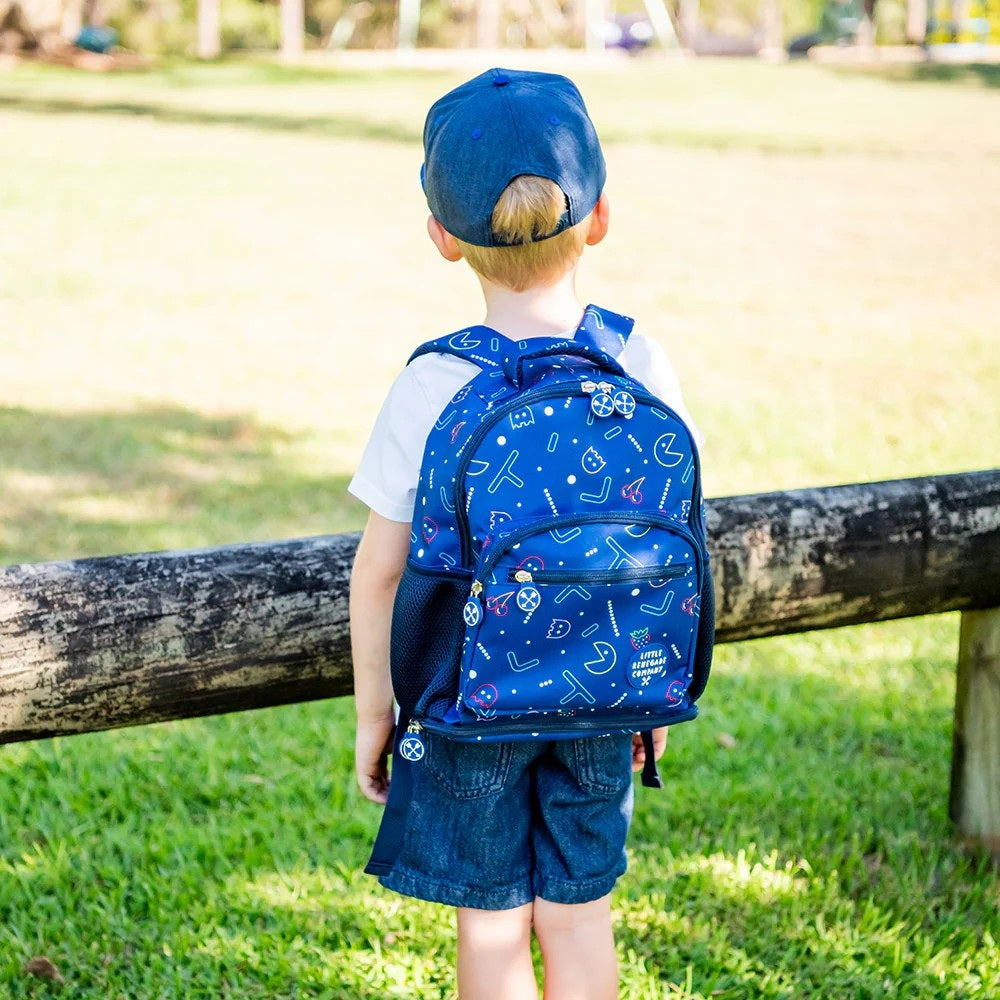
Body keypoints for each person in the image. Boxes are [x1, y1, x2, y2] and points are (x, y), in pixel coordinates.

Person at [348, 68, 701, 1000]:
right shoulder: (639, 361)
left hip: (470, 706)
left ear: (441, 237)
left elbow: (381, 574)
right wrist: (653, 698)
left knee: (494, 924)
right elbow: (676, 546)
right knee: (580, 914)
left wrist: (373, 715)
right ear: (600, 217)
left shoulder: (433, 385)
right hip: (607, 700)